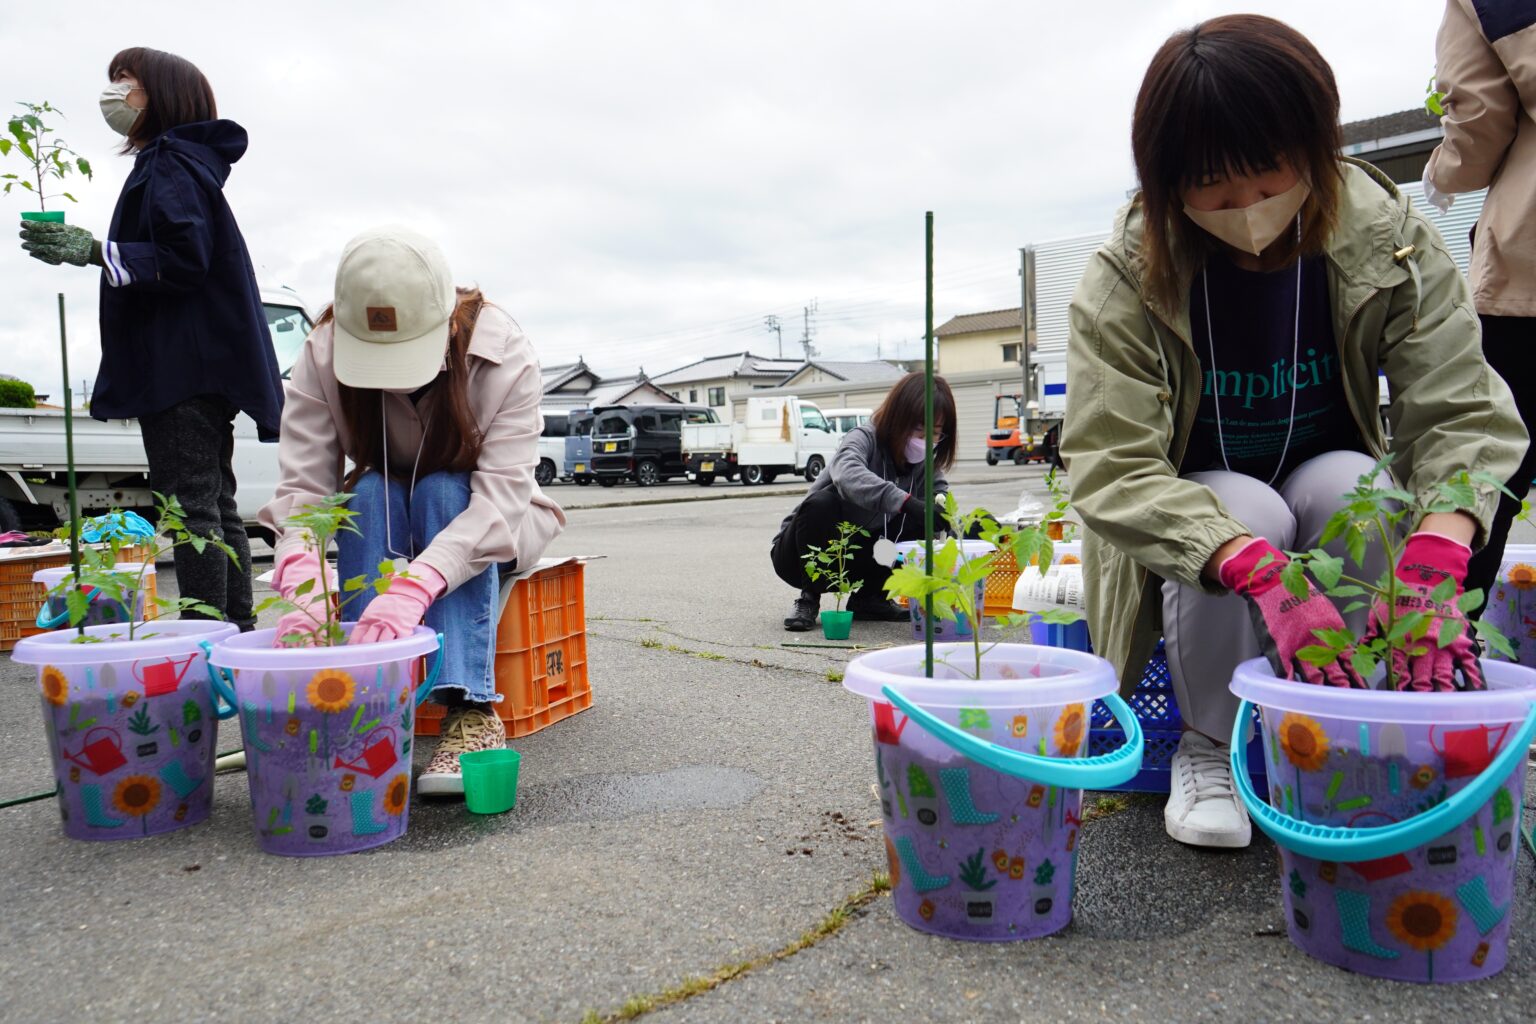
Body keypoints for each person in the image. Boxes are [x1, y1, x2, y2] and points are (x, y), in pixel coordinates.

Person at [1062, 15, 1527, 849]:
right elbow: (1112, 465)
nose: (1248, 208)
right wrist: (1258, 570)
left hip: (1318, 470)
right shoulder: (1127, 275)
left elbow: (1460, 408)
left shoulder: (1384, 236)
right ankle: (1209, 743)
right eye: (1211, 184)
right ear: (1166, 182)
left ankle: (1353, 729)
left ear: (1315, 148)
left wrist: (1437, 556)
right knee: (1243, 509)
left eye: (1269, 172)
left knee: (1361, 488)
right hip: (1205, 510)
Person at [258, 226, 566, 797]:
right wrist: (300, 567)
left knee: (443, 490)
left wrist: (417, 584)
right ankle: (361, 699)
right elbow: (306, 488)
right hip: (387, 507)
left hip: (493, 517)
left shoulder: (502, 353)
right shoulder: (321, 351)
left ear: (446, 323)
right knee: (365, 493)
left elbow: (499, 501)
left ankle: (469, 709)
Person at [19, 47, 283, 630]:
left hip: (179, 365)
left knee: (189, 507)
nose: (114, 92)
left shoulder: (168, 162)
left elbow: (184, 258)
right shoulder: (187, 162)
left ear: (160, 94)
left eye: (125, 80)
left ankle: (206, 634)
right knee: (213, 503)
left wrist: (95, 251)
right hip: (205, 364)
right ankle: (232, 631)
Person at [1423, 0, 1536, 616]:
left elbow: (1480, 119)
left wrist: (1443, 171)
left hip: (1528, 278)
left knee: (1489, 473)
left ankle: (1439, 645)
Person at [771, 372, 956, 631]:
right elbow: (847, 474)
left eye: (934, 433)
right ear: (898, 419)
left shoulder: (924, 464)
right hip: (799, 554)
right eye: (918, 429)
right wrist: (904, 501)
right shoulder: (864, 438)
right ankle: (809, 597)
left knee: (920, 519)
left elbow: (941, 498)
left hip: (859, 556)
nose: (924, 441)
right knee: (821, 504)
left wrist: (951, 522)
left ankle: (871, 599)